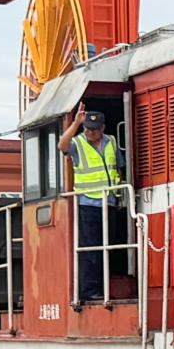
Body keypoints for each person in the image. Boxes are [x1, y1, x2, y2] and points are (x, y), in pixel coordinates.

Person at [61, 108, 124, 304]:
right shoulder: (78, 143)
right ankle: (89, 290)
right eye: (87, 128)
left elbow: (118, 168)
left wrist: (119, 196)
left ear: (102, 128)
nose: (89, 132)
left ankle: (103, 288)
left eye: (93, 129)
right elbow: (62, 145)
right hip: (88, 203)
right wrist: (76, 124)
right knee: (91, 248)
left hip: (109, 202)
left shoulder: (111, 141)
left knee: (108, 247)